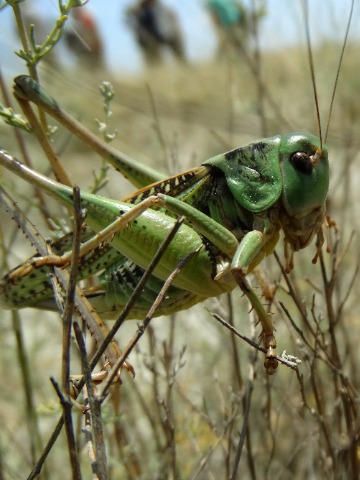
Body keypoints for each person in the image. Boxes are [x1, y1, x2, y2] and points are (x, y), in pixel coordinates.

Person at [126, 0, 185, 65]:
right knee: (155, 62)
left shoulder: (164, 10)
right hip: (151, 40)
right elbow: (129, 18)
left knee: (180, 58)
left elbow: (173, 22)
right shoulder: (138, 12)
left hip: (169, 34)